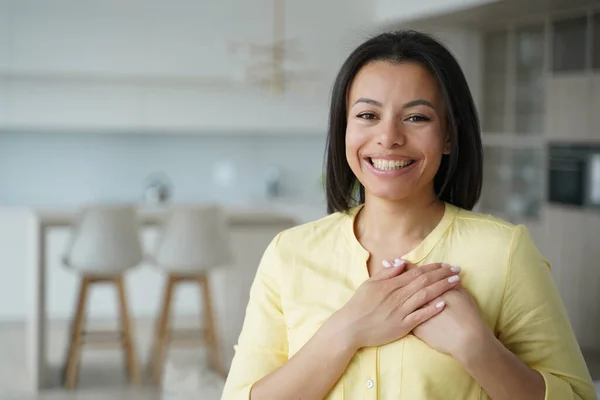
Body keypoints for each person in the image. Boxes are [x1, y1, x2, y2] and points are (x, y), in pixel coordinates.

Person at [221, 30, 597, 400]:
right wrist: (345, 331)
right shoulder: (289, 253)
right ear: (344, 130)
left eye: (416, 118)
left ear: (449, 136)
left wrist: (476, 348)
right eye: (368, 114)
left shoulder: (504, 253)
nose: (389, 137)